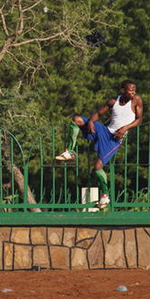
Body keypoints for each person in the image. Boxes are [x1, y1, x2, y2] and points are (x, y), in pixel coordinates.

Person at [55, 80, 144, 210]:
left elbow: (139, 119)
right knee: (77, 120)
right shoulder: (113, 101)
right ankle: (70, 152)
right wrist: (91, 121)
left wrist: (126, 128)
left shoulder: (136, 100)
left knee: (97, 167)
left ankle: (105, 195)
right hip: (105, 131)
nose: (133, 92)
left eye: (134, 90)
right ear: (122, 90)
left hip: (114, 139)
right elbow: (98, 113)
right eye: (130, 90)